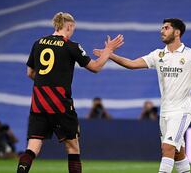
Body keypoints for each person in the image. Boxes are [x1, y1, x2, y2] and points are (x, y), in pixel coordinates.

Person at [94, 18, 191, 173]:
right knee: (178, 153)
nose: (162, 31)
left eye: (166, 28)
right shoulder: (158, 55)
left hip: (181, 111)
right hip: (165, 112)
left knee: (168, 148)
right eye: (162, 28)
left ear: (177, 32)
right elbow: (132, 64)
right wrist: (110, 55)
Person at [16, 12, 123, 173]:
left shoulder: (38, 43)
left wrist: (46, 84)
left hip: (39, 101)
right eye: (73, 28)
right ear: (69, 26)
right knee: (73, 147)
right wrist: (108, 50)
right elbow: (95, 67)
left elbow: (30, 73)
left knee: (32, 147)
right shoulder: (71, 46)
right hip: (60, 102)